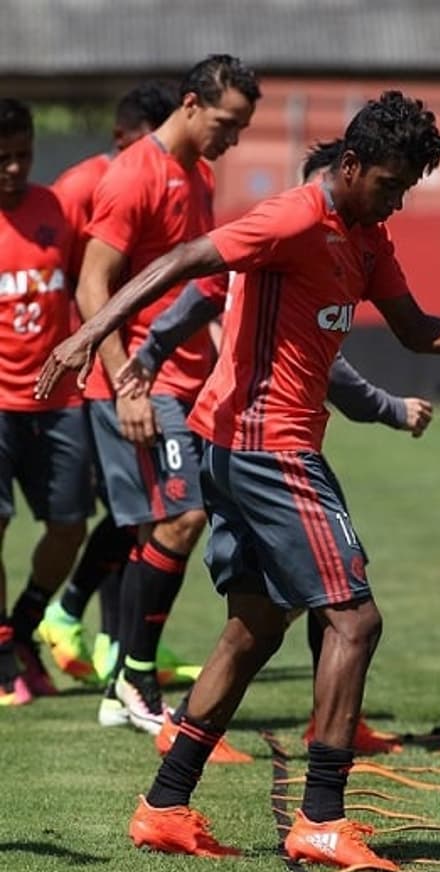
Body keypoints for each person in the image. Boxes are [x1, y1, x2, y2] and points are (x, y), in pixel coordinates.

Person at [37, 90, 440, 872]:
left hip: (248, 447)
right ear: (351, 165)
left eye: (406, 190)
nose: (394, 201)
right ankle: (321, 819)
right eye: (388, 184)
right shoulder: (294, 216)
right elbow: (184, 260)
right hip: (267, 451)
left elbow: (412, 328)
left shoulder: (367, 235)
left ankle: (163, 806)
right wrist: (92, 332)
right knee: (355, 622)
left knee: (255, 627)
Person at [64, 55, 261, 736]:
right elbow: (93, 287)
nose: (231, 140)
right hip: (138, 384)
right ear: (189, 104)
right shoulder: (132, 175)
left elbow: (196, 282)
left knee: (158, 526)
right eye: (226, 124)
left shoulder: (197, 175)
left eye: (240, 129)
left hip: (182, 379)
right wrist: (127, 384)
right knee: (181, 519)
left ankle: (124, 683)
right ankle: (133, 678)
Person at [37, 80, 182, 689]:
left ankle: (108, 642)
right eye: (143, 142)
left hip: (122, 365)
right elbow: (71, 279)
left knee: (134, 513)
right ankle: (68, 620)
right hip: (82, 371)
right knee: (130, 512)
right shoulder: (82, 186)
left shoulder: (175, 175)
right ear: (122, 137)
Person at [0, 99, 93, 705]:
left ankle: (25, 624)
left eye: (23, 155)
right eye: (1, 158)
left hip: (59, 400)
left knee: (68, 525)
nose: (14, 168)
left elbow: (91, 286)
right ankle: (4, 648)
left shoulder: (56, 210)